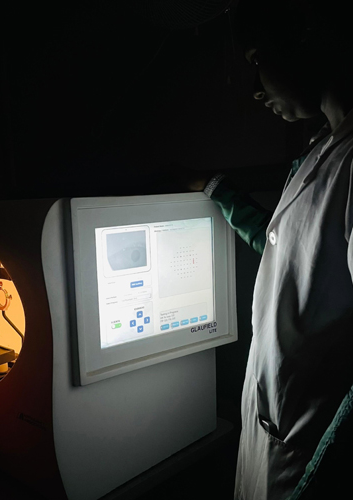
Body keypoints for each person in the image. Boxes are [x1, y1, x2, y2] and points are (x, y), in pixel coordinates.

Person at [188, 0, 352, 498]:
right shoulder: (322, 148)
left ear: (308, 37)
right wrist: (219, 192)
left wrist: (322, 468)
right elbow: (290, 254)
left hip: (309, 452)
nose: (256, 90)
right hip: (275, 432)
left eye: (259, 58)